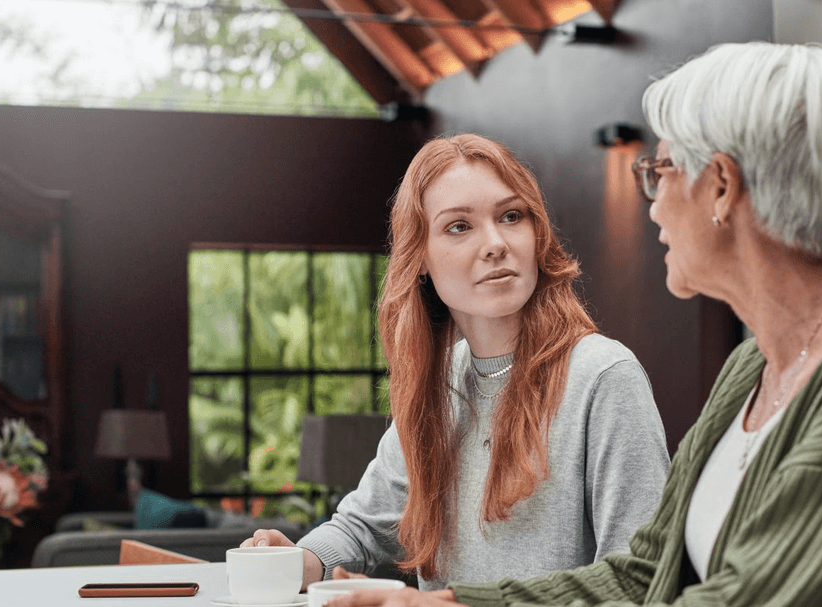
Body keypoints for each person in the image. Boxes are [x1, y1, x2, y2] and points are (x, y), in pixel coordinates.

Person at [328, 42, 822, 607]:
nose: (652, 202)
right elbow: (644, 576)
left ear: (720, 187)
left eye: (660, 172)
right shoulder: (755, 366)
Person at [243, 134, 670, 592]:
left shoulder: (603, 375)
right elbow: (363, 527)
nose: (495, 243)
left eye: (511, 217)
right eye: (458, 227)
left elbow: (637, 581)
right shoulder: (440, 380)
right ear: (420, 257)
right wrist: (297, 559)